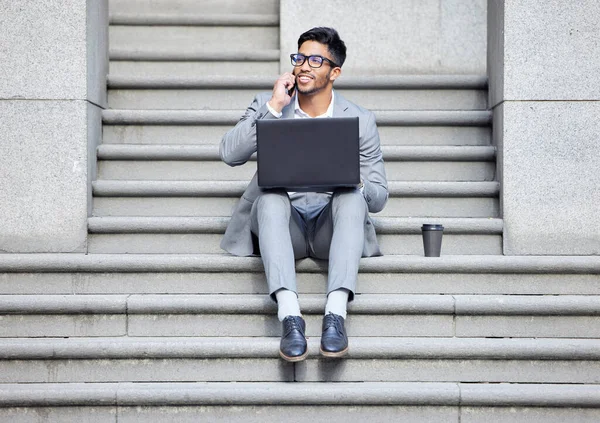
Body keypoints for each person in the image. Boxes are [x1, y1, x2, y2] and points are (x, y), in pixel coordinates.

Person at [220, 27, 388, 362]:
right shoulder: (268, 105)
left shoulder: (360, 120)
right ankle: (290, 317)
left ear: (334, 72)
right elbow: (229, 153)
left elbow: (379, 197)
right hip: (284, 228)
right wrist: (273, 106)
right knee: (268, 199)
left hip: (331, 230)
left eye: (315, 60)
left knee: (352, 197)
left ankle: (335, 315)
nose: (303, 66)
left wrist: (353, 180)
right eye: (299, 58)